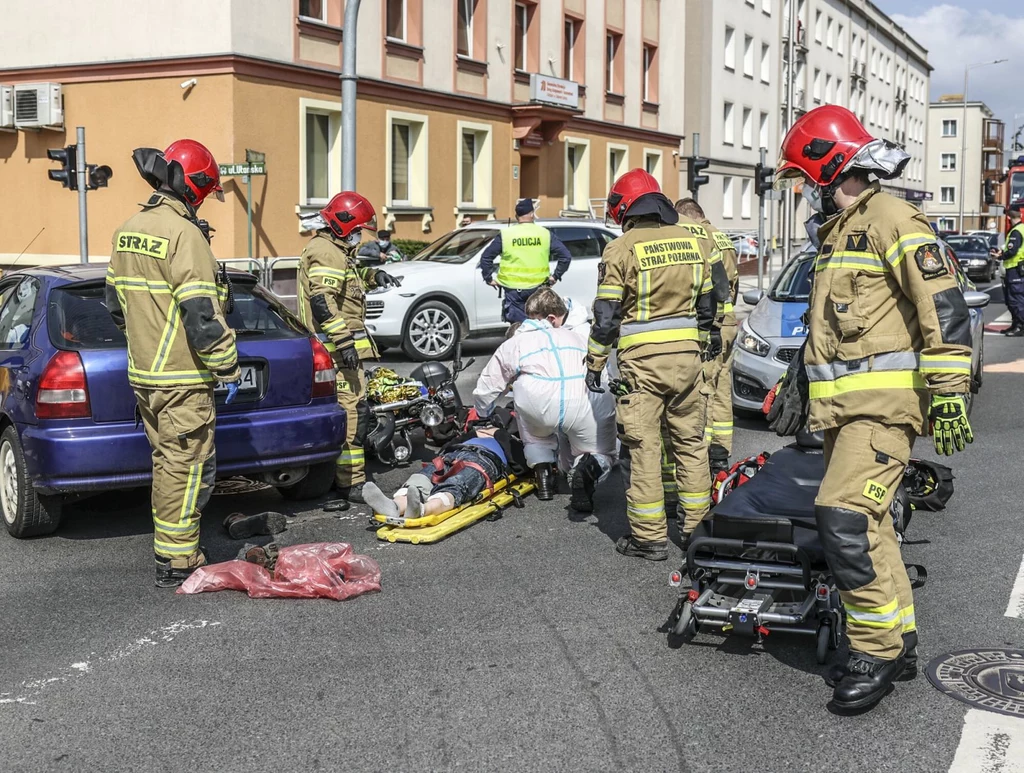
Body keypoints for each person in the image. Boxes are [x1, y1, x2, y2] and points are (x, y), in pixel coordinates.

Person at [768, 104, 974, 711]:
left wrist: (951, 396)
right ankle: (898, 639)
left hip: (882, 411)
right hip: (845, 413)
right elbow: (840, 327)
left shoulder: (890, 217)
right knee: (873, 525)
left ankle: (874, 651)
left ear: (828, 166)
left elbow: (946, 307)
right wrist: (800, 376)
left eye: (806, 178)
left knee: (843, 517)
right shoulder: (840, 232)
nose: (805, 190)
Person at [106, 140, 240, 588]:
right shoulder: (185, 235)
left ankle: (172, 549)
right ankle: (178, 560)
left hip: (144, 375)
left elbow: (115, 304)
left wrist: (146, 343)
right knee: (187, 466)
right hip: (182, 377)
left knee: (167, 460)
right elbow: (202, 315)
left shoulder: (129, 228)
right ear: (197, 187)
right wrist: (228, 367)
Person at [585, 169, 729, 561]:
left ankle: (648, 538)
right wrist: (705, 343)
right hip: (687, 362)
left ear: (626, 209)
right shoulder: (692, 242)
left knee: (644, 447)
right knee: (691, 445)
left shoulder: (621, 249)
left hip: (641, 367)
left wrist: (595, 362)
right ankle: (696, 531)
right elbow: (710, 303)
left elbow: (607, 316)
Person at [297, 192, 402, 507]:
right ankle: (351, 483)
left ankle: (344, 479)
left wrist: (372, 276)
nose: (360, 236)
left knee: (351, 413)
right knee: (352, 416)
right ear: (343, 226)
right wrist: (344, 343)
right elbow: (323, 302)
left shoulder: (334, 250)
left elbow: (345, 285)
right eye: (357, 229)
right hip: (337, 351)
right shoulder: (327, 253)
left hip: (338, 351)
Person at [472, 288, 617, 510]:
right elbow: (605, 374)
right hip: (587, 402)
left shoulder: (514, 344)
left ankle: (543, 475)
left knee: (530, 423)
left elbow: (487, 387)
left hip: (539, 406)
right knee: (601, 452)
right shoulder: (579, 335)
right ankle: (588, 469)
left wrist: (483, 413)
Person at [675, 198, 740, 477]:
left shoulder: (696, 236)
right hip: (729, 321)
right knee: (722, 386)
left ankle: (706, 450)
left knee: (705, 388)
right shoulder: (724, 237)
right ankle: (721, 450)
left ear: (688, 217)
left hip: (711, 324)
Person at [361, 415, 525, 520]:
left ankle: (423, 509)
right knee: (422, 477)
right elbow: (446, 446)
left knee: (456, 484)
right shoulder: (472, 433)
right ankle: (395, 506)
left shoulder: (511, 440)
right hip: (453, 454)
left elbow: (520, 464)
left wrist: (498, 434)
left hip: (485, 459)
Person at [479, 198, 573, 323]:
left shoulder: (507, 234)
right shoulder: (544, 234)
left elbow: (486, 257)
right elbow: (565, 256)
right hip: (538, 289)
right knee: (540, 326)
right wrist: (555, 276)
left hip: (513, 291)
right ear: (532, 214)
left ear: (516, 216)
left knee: (518, 329)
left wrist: (488, 278)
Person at [997, 204, 1024, 336]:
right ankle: (1015, 324)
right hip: (1018, 269)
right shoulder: (1022, 229)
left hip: (1015, 269)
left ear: (1008, 216)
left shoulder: (1016, 232)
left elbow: (1012, 251)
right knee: (1014, 298)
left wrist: (1000, 255)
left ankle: (1020, 326)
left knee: (1015, 299)